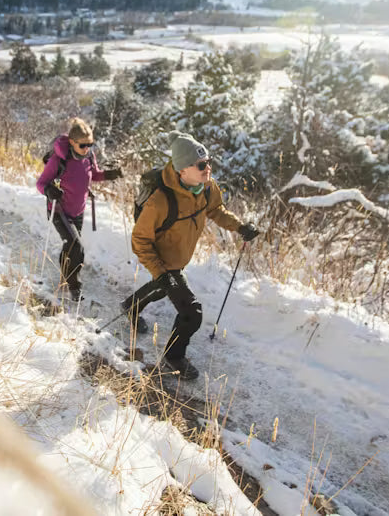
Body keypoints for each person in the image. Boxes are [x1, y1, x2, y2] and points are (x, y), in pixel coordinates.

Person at [122, 131, 259, 380]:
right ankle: (174, 357)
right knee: (191, 312)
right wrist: (159, 271)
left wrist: (240, 227)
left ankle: (130, 307)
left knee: (163, 288)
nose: (208, 169)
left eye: (208, 162)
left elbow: (217, 210)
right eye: (202, 165)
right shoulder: (160, 200)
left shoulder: (207, 188)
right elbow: (140, 240)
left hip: (178, 257)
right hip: (163, 259)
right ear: (183, 170)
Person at [37, 118, 121, 301]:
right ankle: (74, 284)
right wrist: (49, 190)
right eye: (83, 145)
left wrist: (109, 174)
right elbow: (41, 183)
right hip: (59, 210)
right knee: (77, 247)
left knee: (71, 246)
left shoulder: (89, 156)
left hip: (79, 210)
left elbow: (94, 175)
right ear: (72, 143)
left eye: (91, 144)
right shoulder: (59, 160)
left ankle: (66, 279)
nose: (87, 148)